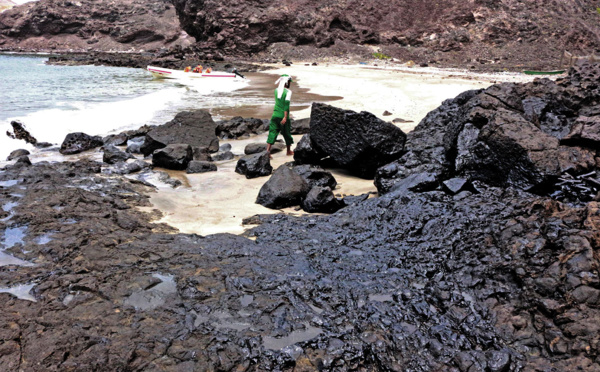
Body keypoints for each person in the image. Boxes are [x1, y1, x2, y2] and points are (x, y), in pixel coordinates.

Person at [266, 74, 294, 158]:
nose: (289, 83)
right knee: (286, 133)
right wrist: (285, 117)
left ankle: (267, 152)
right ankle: (288, 151)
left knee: (272, 132)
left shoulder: (276, 90)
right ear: (286, 82)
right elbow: (286, 105)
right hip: (282, 115)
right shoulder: (288, 92)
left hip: (275, 115)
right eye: (289, 82)